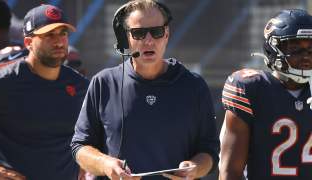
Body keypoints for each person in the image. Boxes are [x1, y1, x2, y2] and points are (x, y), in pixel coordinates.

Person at [71, 0, 220, 179]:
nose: (149, 41)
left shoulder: (194, 86)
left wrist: (195, 168)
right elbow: (80, 147)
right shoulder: (103, 83)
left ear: (166, 34)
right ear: (126, 37)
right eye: (139, 33)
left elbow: (210, 152)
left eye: (156, 32)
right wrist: (106, 164)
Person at [0, 4, 89, 180]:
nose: (59, 41)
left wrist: (86, 162)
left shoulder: (80, 86)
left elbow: (93, 134)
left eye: (63, 33)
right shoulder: (1, 82)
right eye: (49, 35)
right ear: (28, 42)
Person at [219, 9, 312, 180]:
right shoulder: (252, 89)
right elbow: (230, 171)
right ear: (274, 49)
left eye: (310, 48)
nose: (305, 56)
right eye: (295, 48)